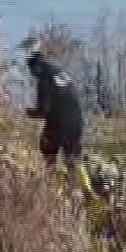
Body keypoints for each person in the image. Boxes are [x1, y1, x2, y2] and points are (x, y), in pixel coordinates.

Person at [24, 39, 84, 174]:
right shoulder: (58, 71)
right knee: (73, 158)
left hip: (59, 122)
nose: (33, 75)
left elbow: (44, 108)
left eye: (32, 71)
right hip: (76, 121)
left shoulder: (44, 76)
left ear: (35, 67)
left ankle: (50, 184)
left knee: (48, 150)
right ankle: (76, 188)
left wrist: (30, 113)